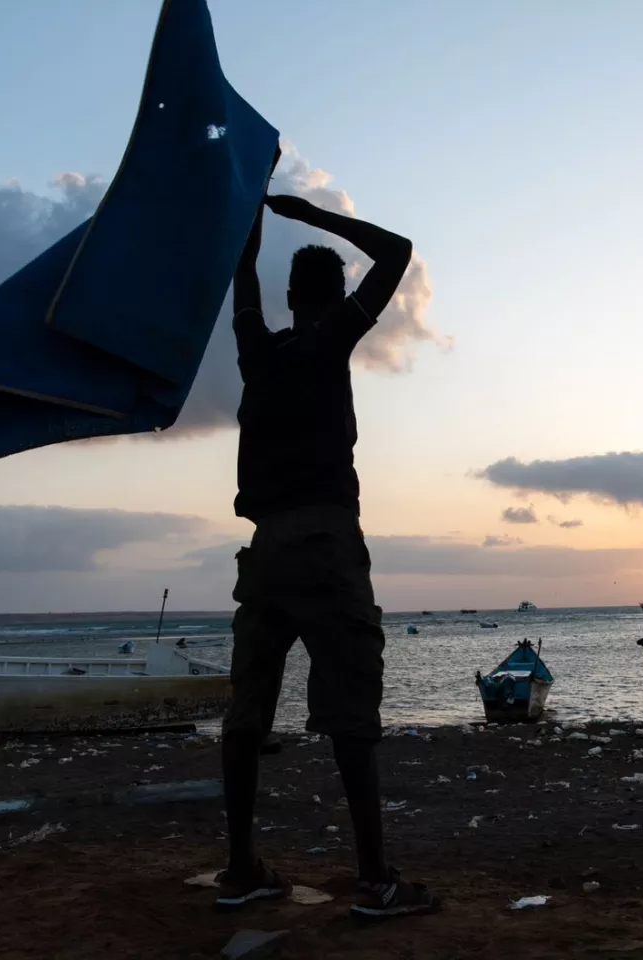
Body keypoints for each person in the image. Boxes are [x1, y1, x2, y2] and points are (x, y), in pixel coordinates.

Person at [215, 190, 439, 920]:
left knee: (246, 714)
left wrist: (249, 210)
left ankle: (240, 869)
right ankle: (375, 881)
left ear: (289, 297)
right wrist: (309, 214)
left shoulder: (258, 353)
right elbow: (398, 252)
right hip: (325, 544)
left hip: (266, 550)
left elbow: (241, 278)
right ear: (338, 298)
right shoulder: (326, 341)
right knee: (350, 714)